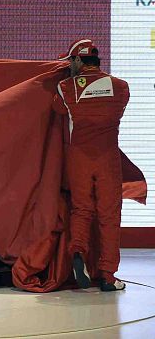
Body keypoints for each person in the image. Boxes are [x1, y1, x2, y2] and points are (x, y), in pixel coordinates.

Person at [52, 39, 129, 291]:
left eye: (69, 61)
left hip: (79, 158)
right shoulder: (121, 87)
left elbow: (58, 110)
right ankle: (108, 276)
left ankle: (78, 252)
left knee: (82, 210)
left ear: (77, 60)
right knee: (109, 216)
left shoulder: (65, 87)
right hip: (108, 158)